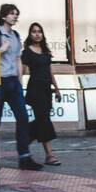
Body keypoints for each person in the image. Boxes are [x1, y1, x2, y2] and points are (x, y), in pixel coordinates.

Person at [0, 5, 43, 171]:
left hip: (14, 83)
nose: (15, 17)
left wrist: (20, 82)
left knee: (23, 119)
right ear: (4, 16)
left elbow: (18, 60)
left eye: (16, 14)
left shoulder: (15, 35)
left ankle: (24, 158)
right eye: (12, 14)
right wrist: (1, 49)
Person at [21, 22, 61, 166]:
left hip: (46, 89)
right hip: (35, 89)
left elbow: (50, 71)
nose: (37, 34)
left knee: (42, 120)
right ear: (30, 34)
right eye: (34, 31)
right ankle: (49, 155)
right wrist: (18, 87)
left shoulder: (45, 51)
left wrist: (57, 89)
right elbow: (23, 70)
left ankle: (24, 137)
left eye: (39, 31)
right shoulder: (27, 51)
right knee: (43, 120)